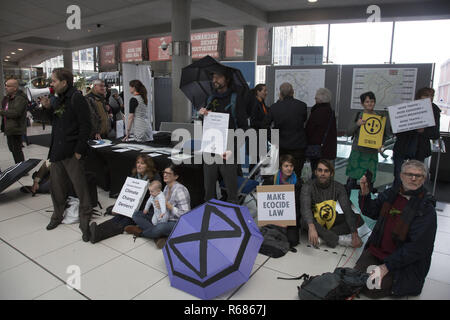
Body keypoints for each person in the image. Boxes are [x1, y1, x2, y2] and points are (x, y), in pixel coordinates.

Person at [355, 160, 437, 298]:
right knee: (355, 280)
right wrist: (365, 194)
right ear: (401, 175)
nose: (413, 178)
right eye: (409, 174)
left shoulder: (426, 209)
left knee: (371, 288)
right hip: (378, 251)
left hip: (403, 262)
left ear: (424, 179)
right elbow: (371, 211)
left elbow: (417, 248)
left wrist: (386, 266)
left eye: (419, 176)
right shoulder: (391, 194)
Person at [40, 68, 93, 242]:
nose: (51, 84)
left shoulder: (77, 98)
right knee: (56, 187)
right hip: (57, 150)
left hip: (72, 151)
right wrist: (47, 108)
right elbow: (53, 121)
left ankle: (85, 217)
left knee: (80, 187)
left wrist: (79, 150)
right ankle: (57, 215)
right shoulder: (56, 99)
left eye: (54, 81)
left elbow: (86, 125)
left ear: (64, 82)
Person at [199, 67, 249, 204]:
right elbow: (206, 125)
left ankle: (232, 219)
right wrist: (202, 115)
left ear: (227, 79)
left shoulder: (235, 99)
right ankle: (210, 217)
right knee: (208, 190)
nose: (214, 80)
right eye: (213, 77)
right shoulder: (210, 98)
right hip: (211, 146)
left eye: (218, 77)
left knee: (231, 191)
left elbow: (244, 128)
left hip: (228, 147)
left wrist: (233, 148)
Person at [89, 154, 161, 244]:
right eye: (138, 162)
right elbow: (126, 192)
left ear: (148, 166)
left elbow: (155, 197)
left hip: (146, 209)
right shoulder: (134, 175)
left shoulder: (155, 178)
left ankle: (99, 234)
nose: (138, 165)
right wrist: (119, 206)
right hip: (131, 205)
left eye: (142, 163)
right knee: (119, 216)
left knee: (126, 220)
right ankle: (96, 230)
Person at [300, 159, 363, 248]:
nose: (322, 173)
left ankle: (324, 236)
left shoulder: (339, 187)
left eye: (326, 171)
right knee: (304, 220)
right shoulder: (308, 186)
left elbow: (347, 210)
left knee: (358, 219)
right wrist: (311, 226)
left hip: (330, 219)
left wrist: (354, 233)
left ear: (331, 173)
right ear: (315, 172)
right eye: (320, 170)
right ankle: (338, 239)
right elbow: (305, 209)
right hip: (314, 220)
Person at [126, 164, 191, 249]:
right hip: (163, 217)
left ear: (176, 176)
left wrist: (169, 206)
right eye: (164, 172)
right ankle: (158, 236)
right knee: (136, 214)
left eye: (168, 173)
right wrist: (158, 205)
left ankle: (141, 232)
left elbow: (186, 215)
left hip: (176, 222)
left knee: (160, 227)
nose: (164, 175)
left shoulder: (180, 190)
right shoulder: (166, 187)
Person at [392, 87, 441, 186]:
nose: (429, 98)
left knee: (416, 180)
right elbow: (394, 130)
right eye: (426, 95)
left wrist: (424, 131)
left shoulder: (434, 110)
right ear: (419, 97)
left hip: (419, 150)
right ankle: (396, 199)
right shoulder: (408, 108)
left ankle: (413, 201)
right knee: (398, 177)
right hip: (403, 147)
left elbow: (435, 134)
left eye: (432, 96)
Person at [345, 91, 388, 196]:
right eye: (367, 101)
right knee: (352, 178)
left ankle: (366, 202)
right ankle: (348, 201)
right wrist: (357, 124)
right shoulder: (358, 115)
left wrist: (381, 144)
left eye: (372, 101)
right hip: (358, 152)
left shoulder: (380, 117)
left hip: (372, 153)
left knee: (370, 179)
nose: (370, 104)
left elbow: (384, 135)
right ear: (362, 103)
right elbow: (348, 132)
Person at [264, 82, 307, 179]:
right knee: (296, 175)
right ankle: (296, 193)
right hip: (298, 146)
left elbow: (264, 125)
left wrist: (272, 139)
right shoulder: (302, 106)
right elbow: (304, 120)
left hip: (281, 147)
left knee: (281, 176)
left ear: (280, 94)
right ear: (293, 92)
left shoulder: (274, 107)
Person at [263, 154, 302, 248]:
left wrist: (288, 221)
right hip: (274, 216)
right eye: (286, 166)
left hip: (290, 218)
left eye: (291, 166)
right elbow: (263, 204)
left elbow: (298, 206)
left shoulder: (298, 183)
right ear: (281, 167)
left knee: (293, 241)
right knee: (266, 237)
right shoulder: (270, 181)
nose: (289, 168)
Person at [305, 88, 337, 174]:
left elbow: (309, 130)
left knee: (317, 173)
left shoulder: (317, 112)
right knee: (326, 174)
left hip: (317, 150)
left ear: (320, 99)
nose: (315, 99)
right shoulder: (331, 112)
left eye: (316, 98)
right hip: (329, 150)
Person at [1, 78, 28, 164]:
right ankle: (19, 166)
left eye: (8, 86)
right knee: (12, 149)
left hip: (16, 128)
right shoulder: (8, 98)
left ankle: (21, 168)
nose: (6, 88)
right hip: (9, 128)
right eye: (5, 85)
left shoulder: (20, 98)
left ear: (15, 88)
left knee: (16, 149)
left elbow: (16, 113)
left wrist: (1, 111)